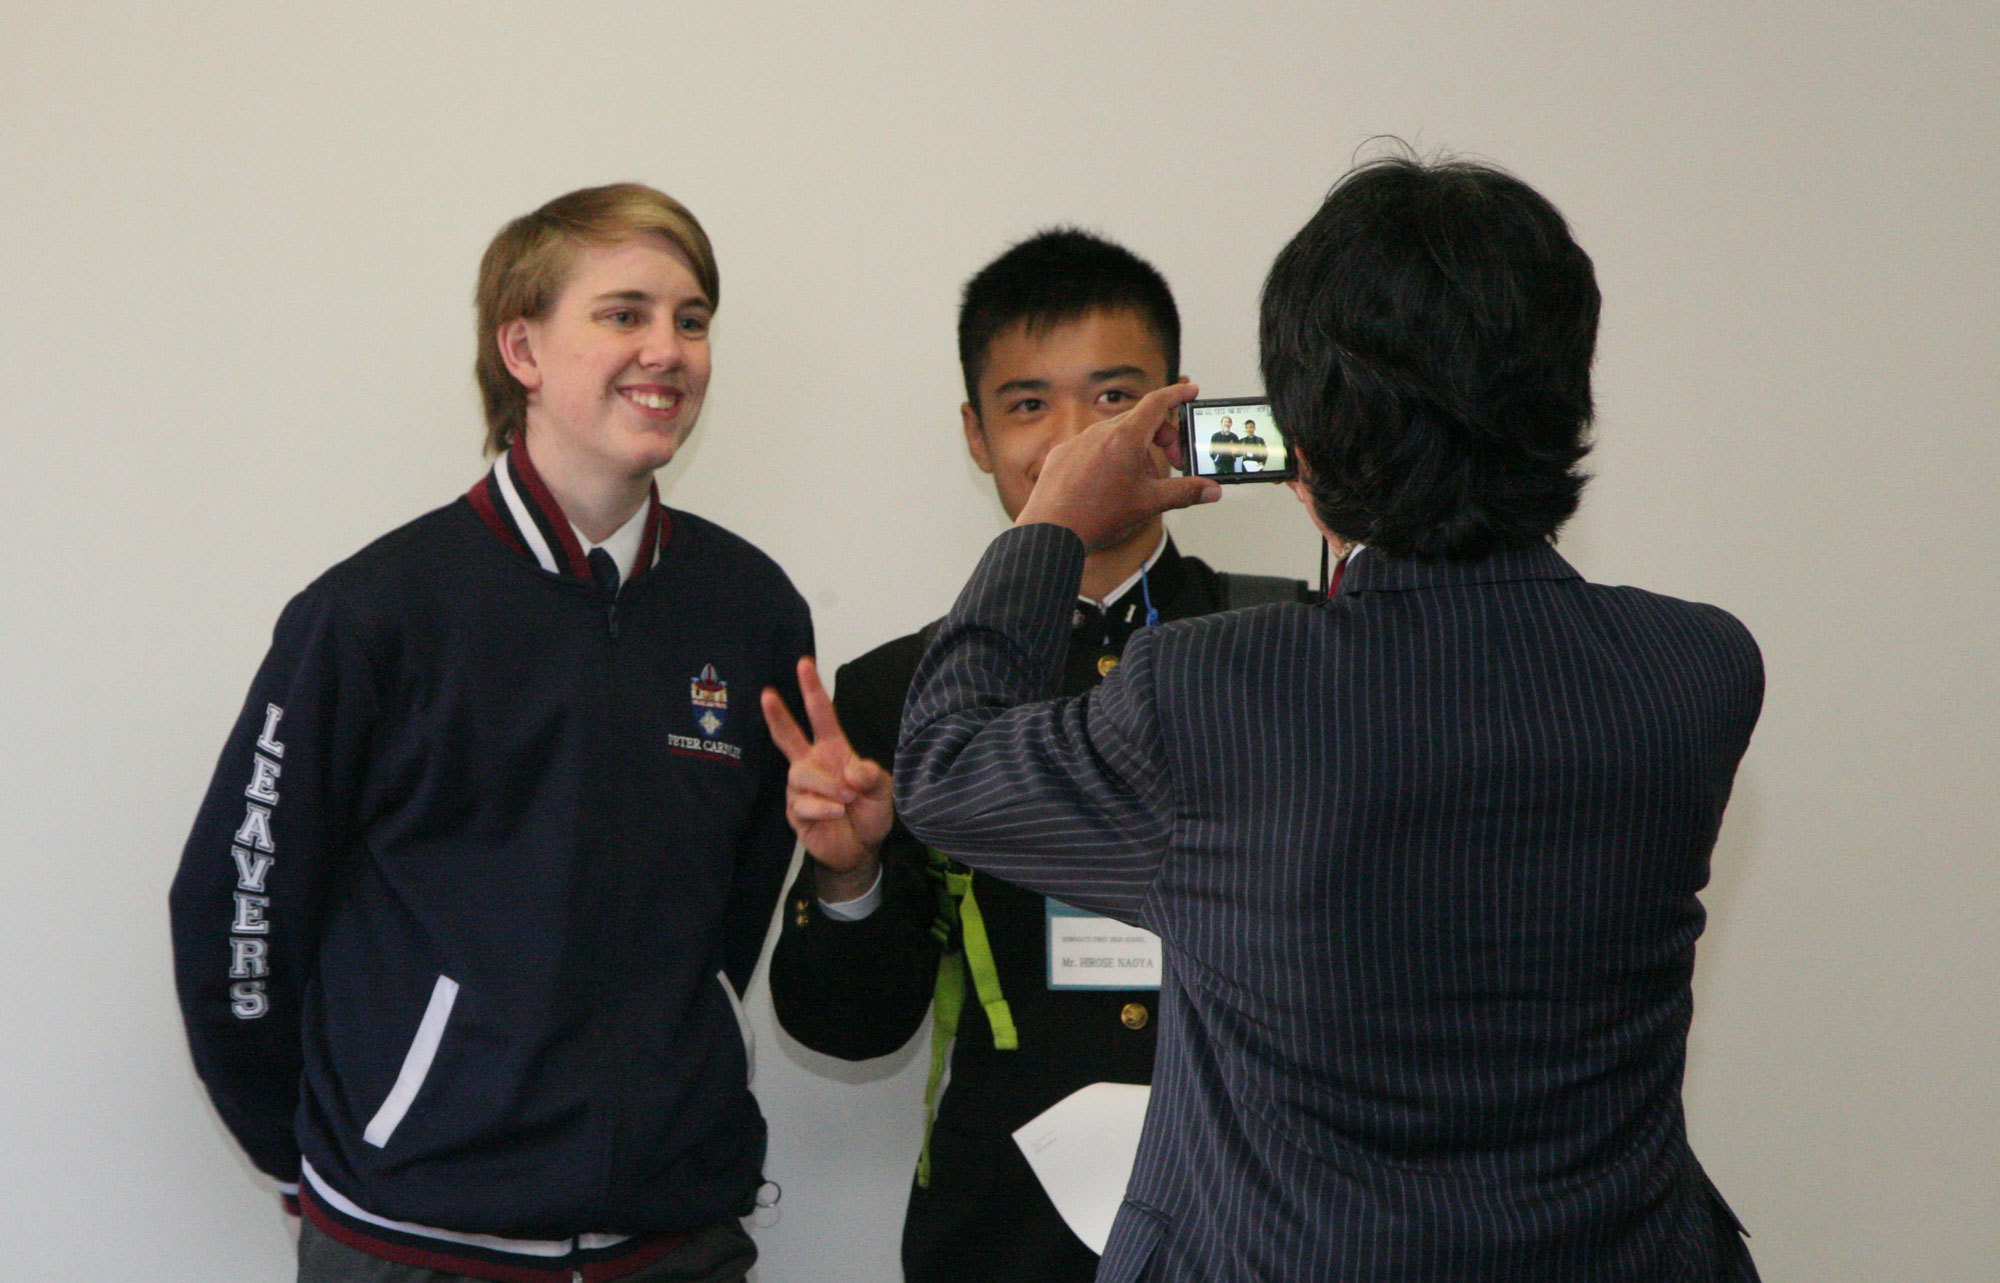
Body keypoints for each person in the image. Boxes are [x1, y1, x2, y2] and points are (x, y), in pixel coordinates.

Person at [800, 156, 1766, 1279]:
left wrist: (1051, 519)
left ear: (1301, 443)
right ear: (1569, 395)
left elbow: (944, 760)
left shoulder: (1215, 687)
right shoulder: (1698, 669)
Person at [169, 183, 811, 1283]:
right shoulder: (374, 613)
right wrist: (321, 1155)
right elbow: (238, 907)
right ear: (522, 348)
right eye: (624, 313)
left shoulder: (752, 611)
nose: (668, 349)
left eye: (692, 319)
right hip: (414, 1241)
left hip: (675, 1238)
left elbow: (731, 911)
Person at [762, 229, 1309, 1283]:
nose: (1074, 443)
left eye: (1114, 398)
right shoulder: (903, 689)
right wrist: (849, 872)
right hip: (1001, 1233)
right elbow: (848, 1026)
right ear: (975, 434)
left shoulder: (1286, 646)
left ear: (1173, 416)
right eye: (1027, 405)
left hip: (1258, 1219)